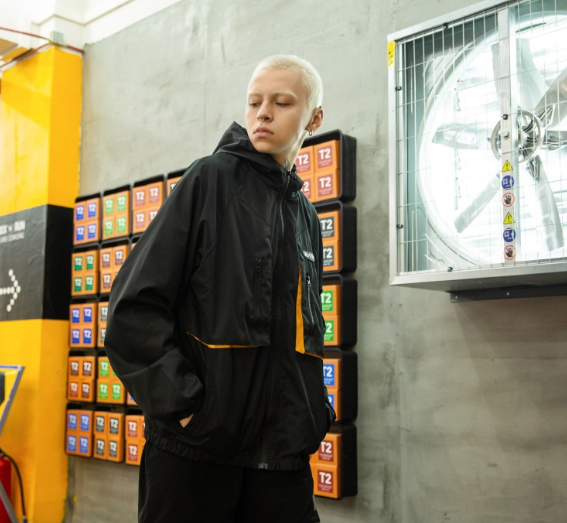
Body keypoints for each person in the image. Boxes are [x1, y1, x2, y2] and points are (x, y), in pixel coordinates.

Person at [105, 54, 335, 523]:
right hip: (195, 452)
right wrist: (184, 408)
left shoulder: (306, 217)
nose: (263, 113)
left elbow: (305, 332)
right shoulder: (209, 179)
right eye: (254, 102)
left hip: (280, 458)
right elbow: (134, 307)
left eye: (281, 102)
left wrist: (314, 412)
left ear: (314, 118)